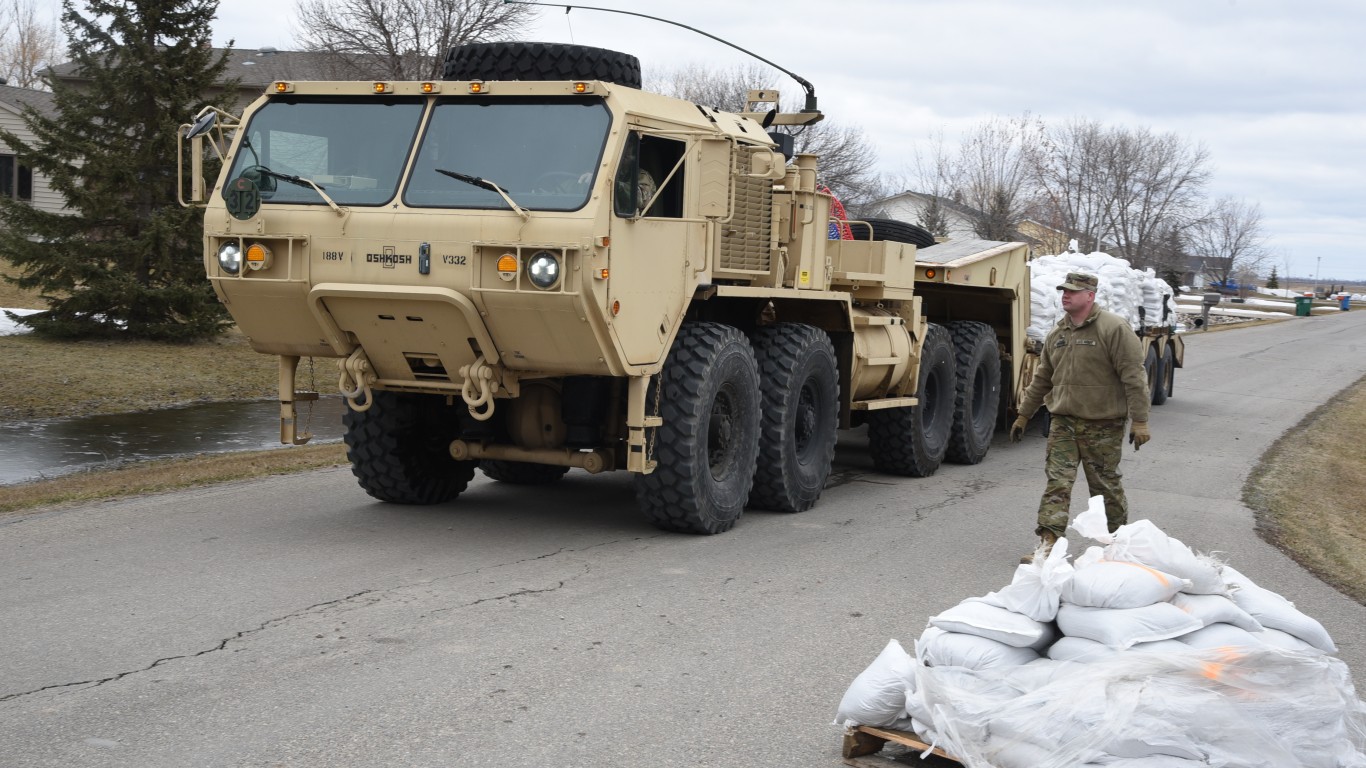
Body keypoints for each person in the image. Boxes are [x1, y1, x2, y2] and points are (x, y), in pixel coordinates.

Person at [1010, 271, 1151, 562]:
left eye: (1073, 291)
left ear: (1090, 295)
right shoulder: (1057, 334)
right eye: (1063, 290)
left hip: (1102, 424)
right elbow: (1042, 379)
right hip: (1063, 422)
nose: (1066, 295)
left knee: (1105, 487)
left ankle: (1118, 543)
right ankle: (1048, 544)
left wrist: (1140, 420)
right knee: (1057, 483)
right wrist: (1024, 415)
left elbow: (1134, 377)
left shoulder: (1113, 329)